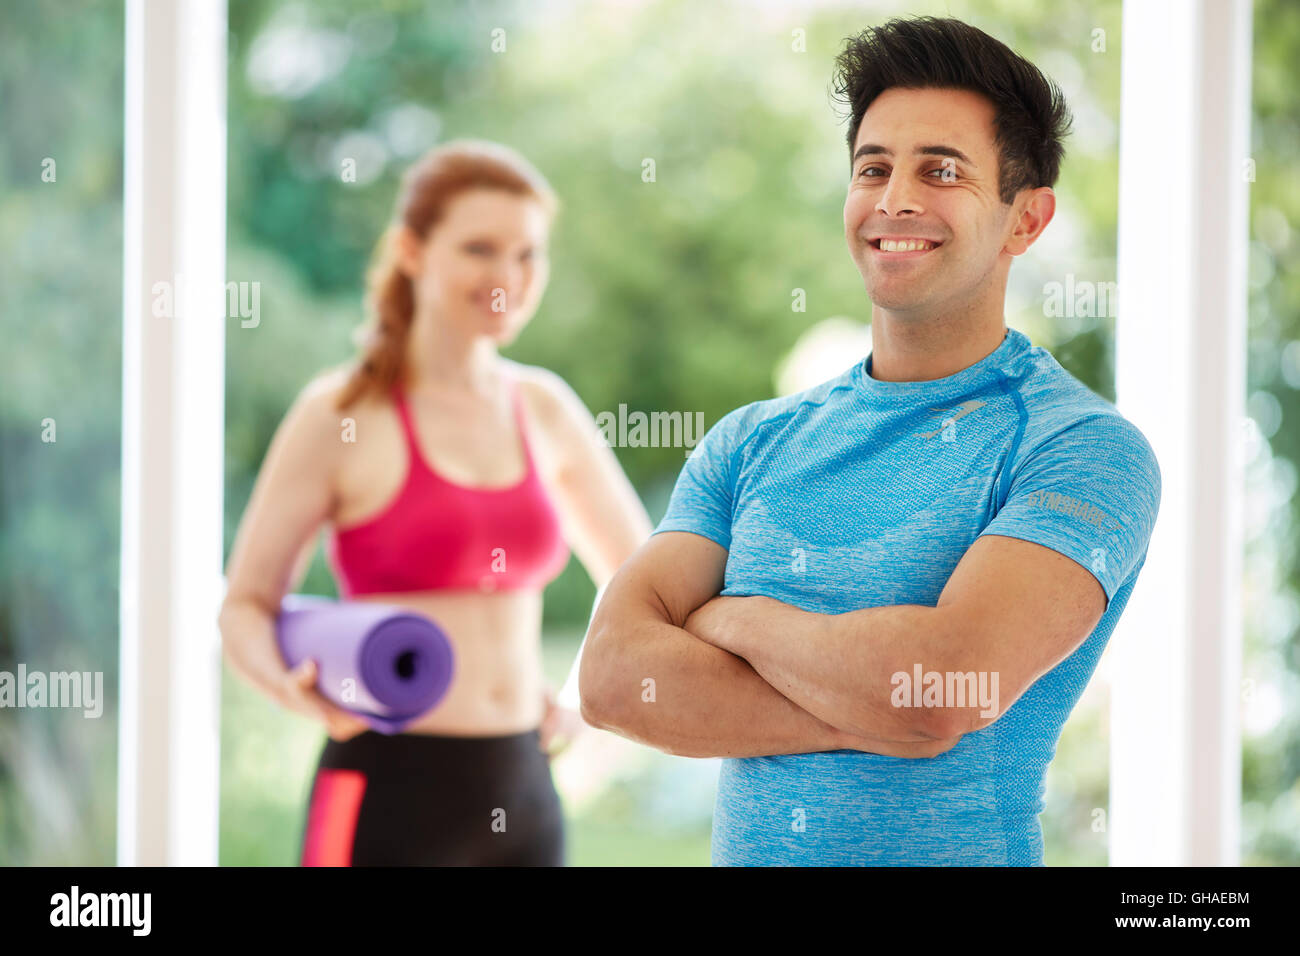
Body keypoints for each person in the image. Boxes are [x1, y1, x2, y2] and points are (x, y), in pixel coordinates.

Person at [580, 16, 1161, 866]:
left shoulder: (1081, 448)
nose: (895, 199)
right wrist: (873, 707)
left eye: (942, 170)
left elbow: (940, 689)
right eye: (874, 167)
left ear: (1026, 221)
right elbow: (611, 679)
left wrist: (734, 618)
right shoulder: (752, 442)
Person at [219, 139, 652, 866]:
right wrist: (294, 694)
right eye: (480, 249)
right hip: (382, 788)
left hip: (521, 788)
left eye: (528, 255)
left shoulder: (545, 406)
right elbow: (245, 606)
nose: (507, 278)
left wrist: (582, 697)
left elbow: (641, 580)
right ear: (411, 251)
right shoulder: (339, 412)